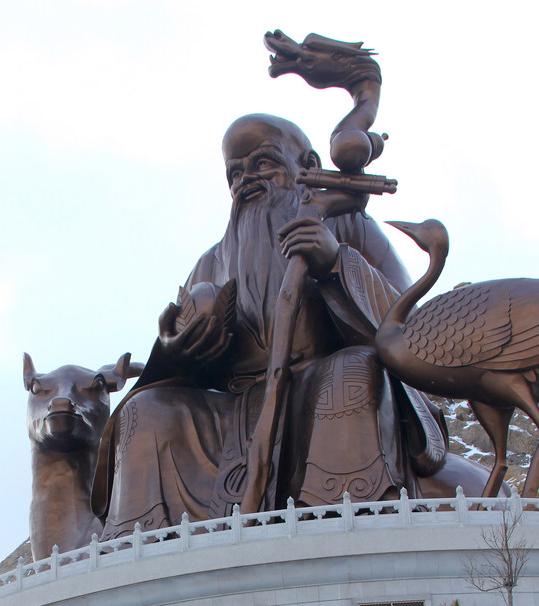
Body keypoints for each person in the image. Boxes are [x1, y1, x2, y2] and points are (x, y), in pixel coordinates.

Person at [92, 114, 490, 538]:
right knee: (145, 412)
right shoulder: (212, 260)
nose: (246, 180)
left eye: (263, 164)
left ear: (307, 164)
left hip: (314, 391)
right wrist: (176, 348)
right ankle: (144, 544)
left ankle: (335, 527)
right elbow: (182, 368)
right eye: (235, 172)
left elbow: (409, 323)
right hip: (235, 413)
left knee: (353, 370)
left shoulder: (347, 223)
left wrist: (336, 263)